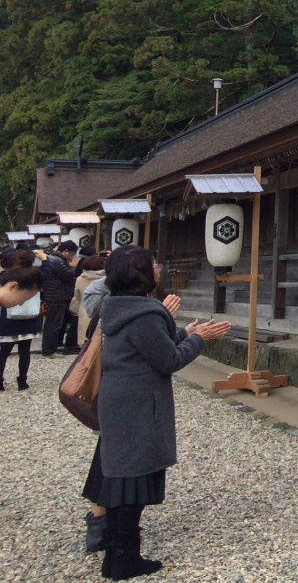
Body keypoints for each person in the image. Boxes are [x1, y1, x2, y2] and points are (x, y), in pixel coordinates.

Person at [86, 247, 229, 579]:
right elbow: (168, 360)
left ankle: (113, 555)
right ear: (140, 273)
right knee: (132, 482)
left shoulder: (117, 306)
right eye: (153, 264)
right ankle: (125, 559)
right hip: (137, 405)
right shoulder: (144, 313)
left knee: (121, 479)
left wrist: (184, 334)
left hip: (120, 400)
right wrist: (199, 339)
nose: (159, 268)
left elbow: (149, 348)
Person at [0, 250, 42, 391]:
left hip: (9, 316)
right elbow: (47, 278)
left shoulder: (6, 275)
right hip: (30, 316)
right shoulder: (35, 274)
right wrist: (45, 260)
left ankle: (0, 382)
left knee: (4, 352)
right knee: (25, 351)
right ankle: (22, 382)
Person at [41, 241, 82, 356]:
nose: (73, 257)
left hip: (54, 295)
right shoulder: (57, 261)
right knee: (53, 324)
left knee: (53, 324)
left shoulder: (54, 259)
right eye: (72, 254)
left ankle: (50, 348)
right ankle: (49, 350)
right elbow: (69, 276)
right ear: (66, 251)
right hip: (56, 296)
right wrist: (74, 266)